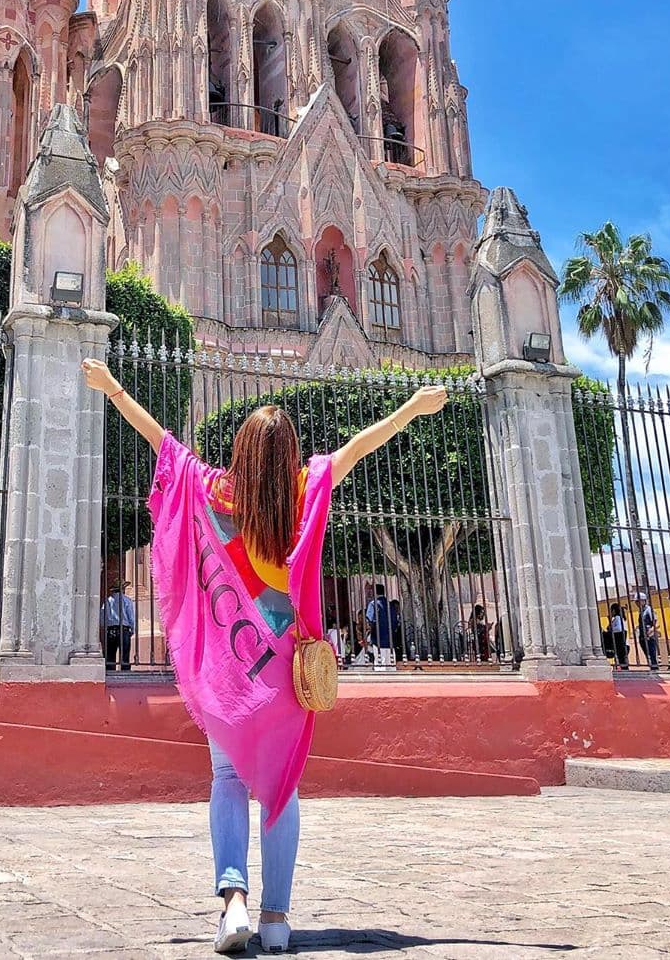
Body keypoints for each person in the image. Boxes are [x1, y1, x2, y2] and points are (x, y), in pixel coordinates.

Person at [82, 356, 447, 955]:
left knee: (226, 777)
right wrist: (411, 409)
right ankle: (277, 920)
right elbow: (360, 445)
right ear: (291, 452)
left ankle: (233, 904)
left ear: (242, 452)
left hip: (230, 666)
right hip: (284, 669)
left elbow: (162, 441)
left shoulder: (217, 490)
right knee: (281, 786)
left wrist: (112, 387)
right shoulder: (309, 486)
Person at [101, 581, 136, 672]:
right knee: (125, 654)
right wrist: (132, 629)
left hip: (111, 629)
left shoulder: (107, 600)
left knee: (110, 654)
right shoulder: (127, 600)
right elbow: (131, 617)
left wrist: (106, 626)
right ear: (122, 589)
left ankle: (110, 671)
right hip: (124, 629)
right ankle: (125, 672)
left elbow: (102, 617)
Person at [365, 585, 396, 670]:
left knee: (380, 665)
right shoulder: (390, 605)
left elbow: (370, 620)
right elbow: (395, 621)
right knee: (391, 665)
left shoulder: (373, 604)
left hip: (378, 638)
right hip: (390, 638)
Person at [634, 592, 660, 673]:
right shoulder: (641, 611)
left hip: (649, 637)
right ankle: (652, 669)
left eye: (638, 601)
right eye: (636, 602)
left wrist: (649, 633)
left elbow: (656, 623)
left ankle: (655, 670)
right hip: (642, 636)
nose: (637, 603)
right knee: (647, 654)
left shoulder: (649, 610)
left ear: (644, 601)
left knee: (652, 654)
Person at [607, 603, 629, 670]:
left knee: (622, 662)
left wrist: (611, 630)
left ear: (613, 611)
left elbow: (619, 629)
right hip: (624, 645)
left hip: (621, 644)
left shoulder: (617, 618)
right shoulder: (620, 618)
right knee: (622, 662)